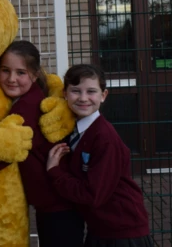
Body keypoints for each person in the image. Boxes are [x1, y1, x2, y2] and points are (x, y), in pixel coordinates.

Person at [47, 64, 153, 247]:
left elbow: (92, 194)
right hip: (101, 228)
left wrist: (54, 171)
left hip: (122, 232)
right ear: (64, 93)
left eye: (91, 91)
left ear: (103, 95)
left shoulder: (104, 138)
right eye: (75, 91)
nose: (83, 98)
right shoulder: (75, 130)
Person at [0, 40, 85, 246]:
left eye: (21, 73)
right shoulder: (35, 96)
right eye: (5, 70)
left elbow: (3, 154)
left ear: (35, 75)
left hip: (58, 207)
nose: (11, 79)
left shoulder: (26, 109)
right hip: (54, 204)